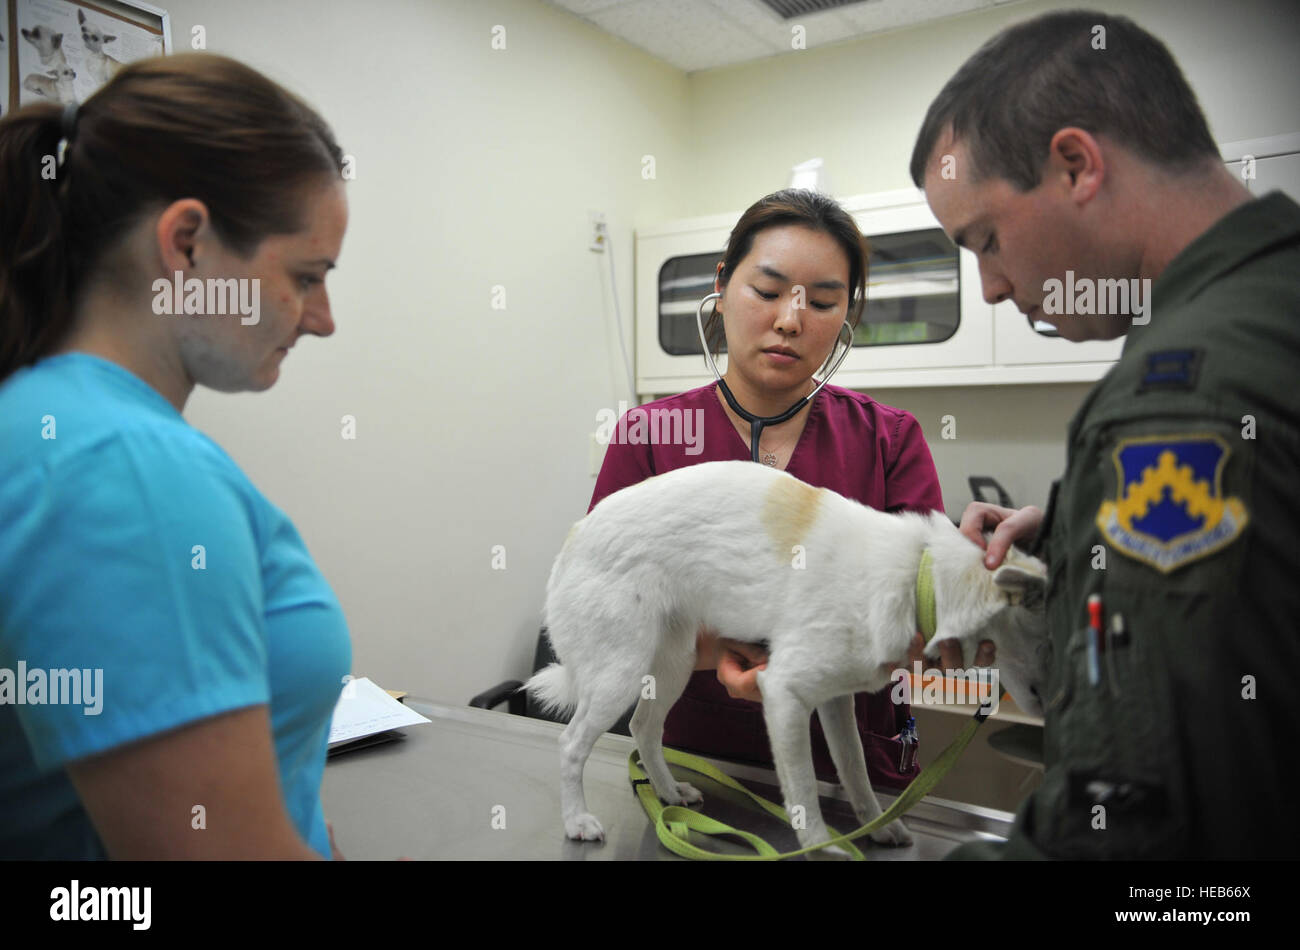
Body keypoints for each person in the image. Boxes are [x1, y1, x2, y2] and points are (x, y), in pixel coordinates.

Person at [907, 9, 1300, 858]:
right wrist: (1074, 519)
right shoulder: (1270, 303)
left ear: (1077, 165)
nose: (990, 289)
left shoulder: (1181, 401)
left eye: (985, 240)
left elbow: (1148, 836)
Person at [0, 53, 353, 859]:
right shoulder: (122, 466)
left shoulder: (46, 419)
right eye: (307, 275)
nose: (322, 319)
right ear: (186, 246)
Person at [589, 188, 953, 794]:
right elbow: (609, 613)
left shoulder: (890, 441)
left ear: (846, 315)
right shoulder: (650, 436)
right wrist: (716, 650)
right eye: (766, 291)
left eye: (824, 301)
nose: (790, 320)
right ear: (723, 285)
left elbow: (924, 628)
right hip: (697, 769)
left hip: (849, 775)